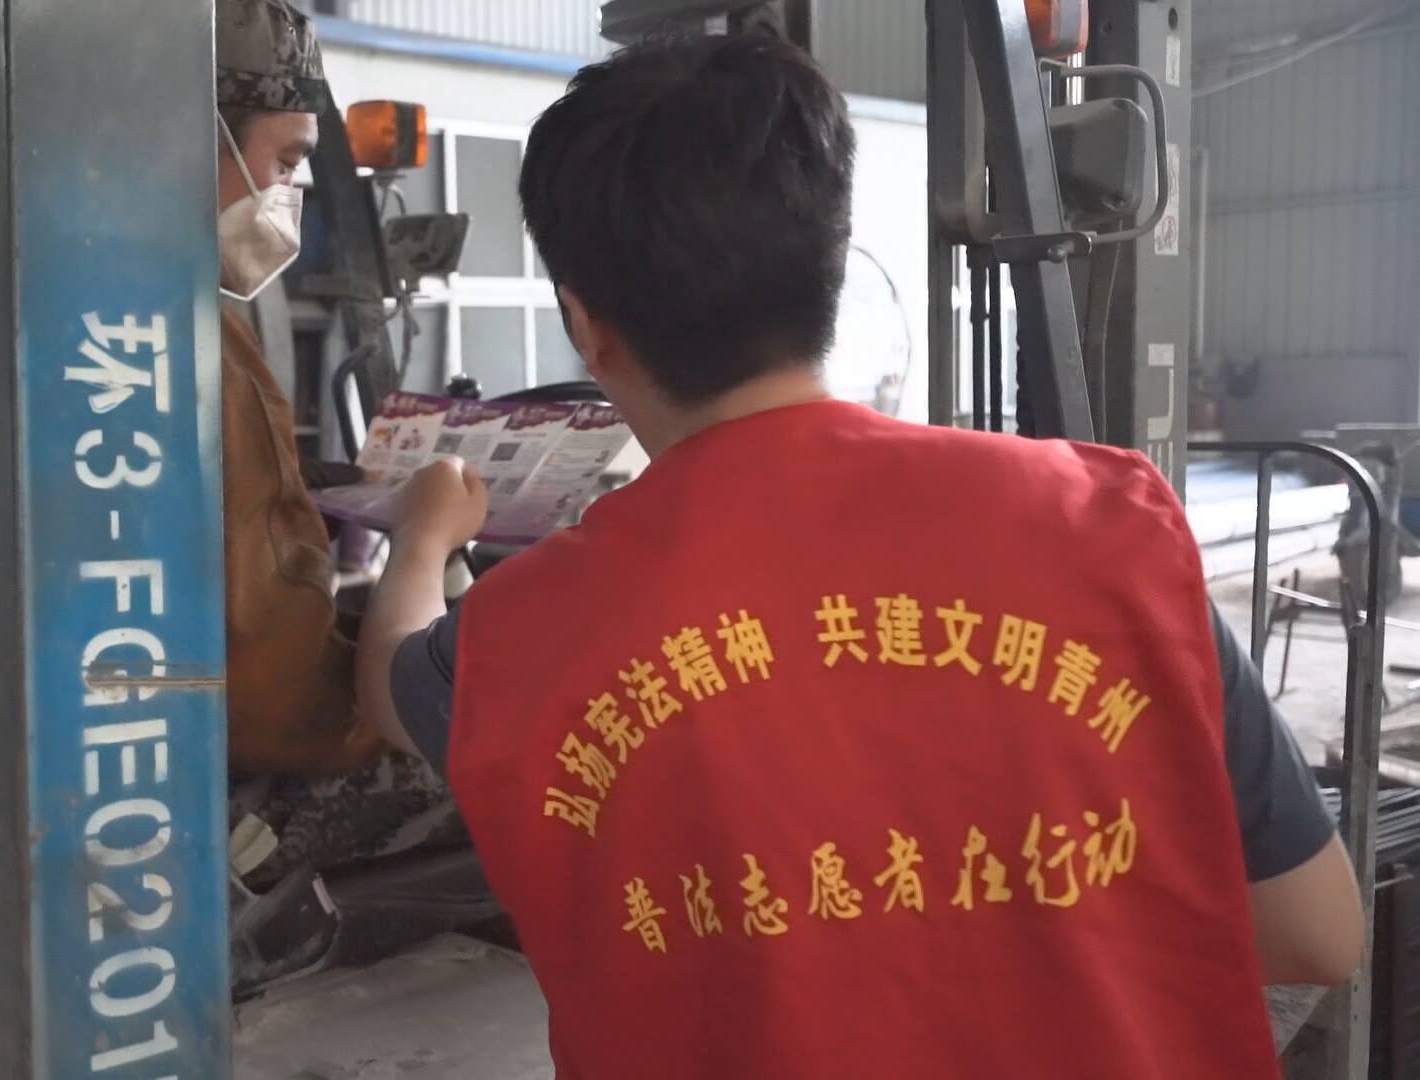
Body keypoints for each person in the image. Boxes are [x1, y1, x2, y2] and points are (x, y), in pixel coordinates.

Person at [357, 33, 1364, 1078]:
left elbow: (393, 684)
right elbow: (1318, 934)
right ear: (834, 267)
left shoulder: (526, 630)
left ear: (585, 323)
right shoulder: (1108, 527)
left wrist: (426, 537)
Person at [0, 0, 454, 881]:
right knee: (506, 740)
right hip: (187, 809)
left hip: (19, 786)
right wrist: (425, 543)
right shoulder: (176, 341)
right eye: (286, 161)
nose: (288, 192)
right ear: (178, 135)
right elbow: (285, 706)